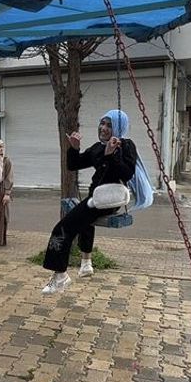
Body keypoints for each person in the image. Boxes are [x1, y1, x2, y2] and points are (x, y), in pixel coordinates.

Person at [39, 108, 152, 294]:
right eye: (102, 123)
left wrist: (111, 155)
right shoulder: (98, 146)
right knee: (84, 221)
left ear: (119, 127)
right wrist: (74, 149)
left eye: (109, 125)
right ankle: (86, 262)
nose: (104, 128)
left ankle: (60, 276)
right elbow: (74, 165)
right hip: (96, 197)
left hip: (110, 198)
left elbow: (126, 173)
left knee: (62, 228)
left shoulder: (126, 145)